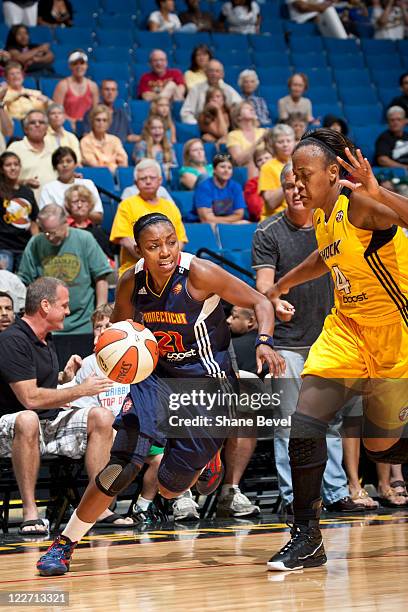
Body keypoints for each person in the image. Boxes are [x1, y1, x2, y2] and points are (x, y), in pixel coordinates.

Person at [36, 211, 285, 576]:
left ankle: (207, 461)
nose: (165, 252)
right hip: (154, 378)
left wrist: (264, 342)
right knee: (120, 467)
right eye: (154, 246)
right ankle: (66, 543)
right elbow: (120, 332)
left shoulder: (199, 273)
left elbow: (261, 303)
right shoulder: (130, 282)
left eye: (171, 242)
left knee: (170, 489)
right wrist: (106, 358)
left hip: (206, 385)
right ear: (139, 250)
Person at [265, 128, 408, 571]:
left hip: (394, 334)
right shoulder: (324, 217)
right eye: (292, 175)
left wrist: (376, 188)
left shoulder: (361, 204)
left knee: (381, 448)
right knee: (305, 422)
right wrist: (278, 286)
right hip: (347, 328)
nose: (297, 184)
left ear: (333, 173)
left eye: (305, 174)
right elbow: (324, 258)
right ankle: (306, 537)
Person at [252, 161, 365, 517]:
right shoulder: (268, 232)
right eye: (288, 185)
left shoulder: (329, 222)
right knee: (290, 421)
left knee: (327, 419)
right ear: (282, 190)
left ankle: (333, 491)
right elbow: (262, 291)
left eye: (301, 182)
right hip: (287, 343)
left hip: (330, 338)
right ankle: (294, 496)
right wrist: (274, 300)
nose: (296, 191)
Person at [0, 276, 116, 535]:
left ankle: (98, 506)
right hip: (11, 428)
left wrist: (65, 377)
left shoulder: (45, 338)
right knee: (28, 418)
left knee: (101, 416)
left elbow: (45, 388)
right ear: (45, 305)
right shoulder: (12, 340)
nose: (68, 310)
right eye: (63, 305)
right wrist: (81, 388)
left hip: (47, 423)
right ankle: (30, 513)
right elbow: (29, 398)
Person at [18, 204, 111, 334]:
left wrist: (100, 314)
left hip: (83, 324)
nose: (49, 237)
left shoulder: (84, 239)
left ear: (66, 223)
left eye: (53, 232)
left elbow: (101, 277)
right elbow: (25, 281)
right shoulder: (36, 243)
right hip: (47, 326)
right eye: (45, 232)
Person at [110, 159, 187, 277]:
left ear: (160, 180)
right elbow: (124, 239)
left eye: (152, 178)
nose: (148, 181)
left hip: (169, 270)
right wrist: (155, 260)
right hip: (135, 271)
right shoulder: (126, 205)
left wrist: (166, 260)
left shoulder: (170, 207)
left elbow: (180, 239)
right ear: (136, 183)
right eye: (143, 178)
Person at [39, 146, 103, 223]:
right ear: (55, 167)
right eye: (60, 162)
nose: (65, 165)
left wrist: (79, 214)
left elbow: (99, 217)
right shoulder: (48, 188)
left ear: (75, 164)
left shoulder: (88, 184)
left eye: (69, 161)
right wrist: (77, 213)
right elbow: (46, 219)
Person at [0, 151, 38, 273]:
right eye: (8, 165)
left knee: (23, 285)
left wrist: (36, 244)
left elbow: (33, 221)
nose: (13, 168)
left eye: (16, 164)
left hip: (24, 247)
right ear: (1, 169)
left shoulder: (27, 192)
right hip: (3, 247)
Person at [7, 109, 56, 199]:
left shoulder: (54, 147)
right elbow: (3, 179)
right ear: (25, 129)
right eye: (33, 123)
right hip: (24, 205)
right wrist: (23, 182)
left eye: (41, 122)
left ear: (46, 128)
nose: (37, 125)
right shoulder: (15, 148)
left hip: (53, 205)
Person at [64, 185, 115, 265]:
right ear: (68, 205)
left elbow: (109, 261)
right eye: (75, 201)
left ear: (90, 205)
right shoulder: (63, 230)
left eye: (83, 201)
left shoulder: (98, 232)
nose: (79, 205)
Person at [181, 59, 242, 125]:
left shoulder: (228, 89)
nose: (214, 74)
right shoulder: (196, 89)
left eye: (217, 71)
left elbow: (239, 106)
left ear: (222, 74)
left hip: (225, 127)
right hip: (201, 126)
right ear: (205, 72)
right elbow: (185, 113)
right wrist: (197, 125)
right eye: (211, 71)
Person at [193, 152, 248, 225]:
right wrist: (231, 222)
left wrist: (223, 223)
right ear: (214, 169)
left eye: (229, 168)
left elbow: (239, 215)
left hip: (225, 224)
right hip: (205, 226)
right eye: (222, 167)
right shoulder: (204, 187)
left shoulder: (236, 187)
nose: (226, 170)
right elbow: (206, 219)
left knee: (244, 223)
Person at [53, 50, 99, 129]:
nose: (79, 67)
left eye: (82, 63)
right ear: (70, 66)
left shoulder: (93, 86)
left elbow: (96, 112)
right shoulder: (62, 85)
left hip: (87, 127)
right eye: (75, 64)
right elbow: (57, 112)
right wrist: (72, 122)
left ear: (86, 65)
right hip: (66, 126)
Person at [258, 124, 296, 220]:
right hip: (275, 219)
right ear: (273, 145)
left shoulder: (303, 164)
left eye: (288, 141)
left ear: (295, 142)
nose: (285, 144)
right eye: (280, 142)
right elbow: (271, 203)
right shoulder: (267, 167)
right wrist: (289, 180)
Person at [82, 80, 138, 144]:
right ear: (101, 92)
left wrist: (144, 137)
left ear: (117, 93)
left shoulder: (121, 114)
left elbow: (129, 136)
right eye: (107, 89)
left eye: (113, 90)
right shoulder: (91, 113)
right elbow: (86, 136)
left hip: (118, 149)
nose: (110, 92)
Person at [80, 104, 128, 174]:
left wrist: (103, 162)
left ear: (108, 123)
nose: (101, 123)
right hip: (97, 177)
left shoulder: (115, 140)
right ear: (92, 122)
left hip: (116, 177)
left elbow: (124, 162)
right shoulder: (85, 141)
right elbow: (95, 165)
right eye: (98, 120)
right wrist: (113, 161)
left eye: (104, 120)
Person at [227, 101, 266, 179]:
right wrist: (257, 143)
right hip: (249, 168)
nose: (252, 109)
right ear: (239, 116)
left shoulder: (263, 131)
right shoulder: (233, 135)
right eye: (247, 108)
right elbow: (238, 160)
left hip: (267, 163)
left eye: (252, 109)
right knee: (252, 162)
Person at [133, 115, 176, 183]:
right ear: (148, 130)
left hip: (167, 181)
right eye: (153, 128)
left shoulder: (169, 145)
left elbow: (174, 166)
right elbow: (141, 164)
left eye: (160, 128)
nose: (157, 131)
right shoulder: (142, 145)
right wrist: (164, 167)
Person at [243, 146, 272, 222]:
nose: (264, 161)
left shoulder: (282, 178)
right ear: (256, 165)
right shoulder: (251, 184)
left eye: (267, 158)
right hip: (264, 222)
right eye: (259, 160)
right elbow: (256, 210)